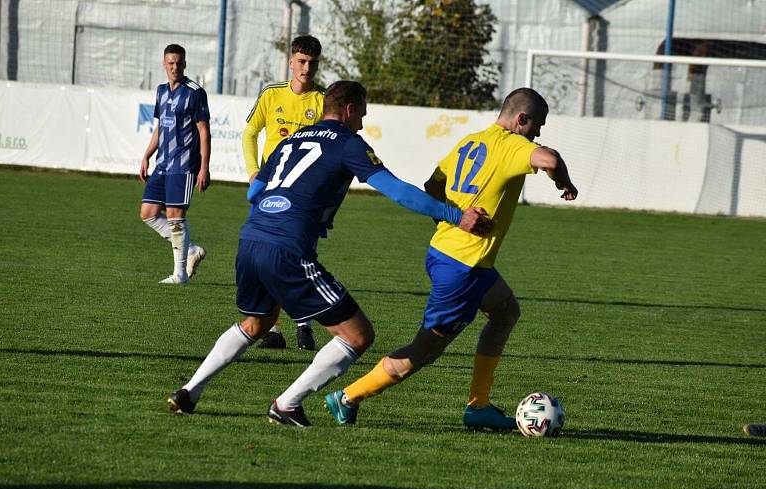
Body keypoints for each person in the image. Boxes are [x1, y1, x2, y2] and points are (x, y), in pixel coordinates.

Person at [167, 80, 492, 426]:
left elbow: (255, 193)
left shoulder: (291, 140)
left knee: (257, 322)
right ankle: (287, 404)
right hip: (286, 248)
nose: (363, 123)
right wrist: (456, 216)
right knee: (358, 335)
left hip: (250, 240)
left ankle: (189, 391)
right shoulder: (349, 144)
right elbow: (396, 191)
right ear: (349, 109)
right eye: (362, 114)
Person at [324, 88, 578, 430]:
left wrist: (447, 219)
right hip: (463, 268)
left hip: (449, 254)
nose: (538, 134)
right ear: (521, 120)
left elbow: (433, 183)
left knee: (505, 311)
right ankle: (348, 396)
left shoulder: (471, 142)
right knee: (424, 350)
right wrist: (564, 183)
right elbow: (550, 159)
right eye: (537, 126)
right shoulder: (511, 144)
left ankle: (479, 406)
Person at [242, 34, 325, 350]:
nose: (307, 68)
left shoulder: (322, 101)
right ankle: (274, 331)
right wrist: (253, 174)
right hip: (269, 189)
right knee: (266, 257)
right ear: (291, 62)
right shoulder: (271, 94)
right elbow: (250, 134)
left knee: (303, 256)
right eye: (302, 61)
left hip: (304, 194)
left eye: (312, 63)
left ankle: (304, 324)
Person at [139, 44, 210, 285]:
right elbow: (160, 127)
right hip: (162, 164)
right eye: (170, 63)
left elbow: (204, 131)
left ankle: (179, 274)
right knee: (147, 214)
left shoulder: (195, 92)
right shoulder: (161, 91)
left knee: (175, 217)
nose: (175, 67)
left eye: (179, 63)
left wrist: (204, 167)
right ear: (164, 64)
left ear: (185, 64)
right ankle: (190, 250)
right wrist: (147, 155)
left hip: (184, 164)